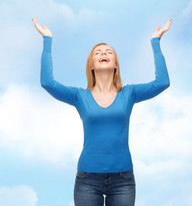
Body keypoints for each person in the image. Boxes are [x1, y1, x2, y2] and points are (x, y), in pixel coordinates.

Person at [32, 17, 172, 206]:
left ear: (115, 64)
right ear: (92, 65)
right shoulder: (79, 96)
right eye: (97, 52)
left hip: (123, 180)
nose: (103, 53)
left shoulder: (129, 93)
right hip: (87, 180)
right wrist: (47, 39)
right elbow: (47, 82)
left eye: (108, 52)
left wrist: (155, 41)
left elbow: (162, 82)